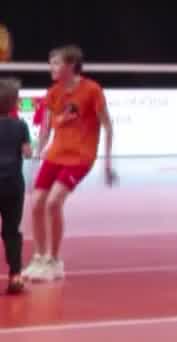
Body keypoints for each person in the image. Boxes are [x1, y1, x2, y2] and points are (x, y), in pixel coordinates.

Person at [24, 45, 114, 283]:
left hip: (80, 157)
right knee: (36, 202)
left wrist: (107, 162)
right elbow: (46, 128)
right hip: (55, 154)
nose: (51, 68)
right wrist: (38, 152)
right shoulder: (53, 93)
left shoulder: (92, 90)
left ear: (71, 65)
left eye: (56, 63)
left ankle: (54, 261)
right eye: (50, 63)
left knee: (53, 202)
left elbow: (107, 125)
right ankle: (39, 258)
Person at [1, 79, 27, 294]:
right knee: (11, 231)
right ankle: (16, 275)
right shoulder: (20, 125)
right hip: (13, 185)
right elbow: (28, 152)